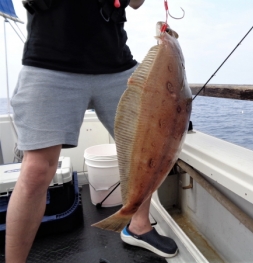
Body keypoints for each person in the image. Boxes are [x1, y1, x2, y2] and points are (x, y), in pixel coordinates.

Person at [6, 0, 178, 261]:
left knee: (147, 150)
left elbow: (136, 2)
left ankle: (139, 226)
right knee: (36, 171)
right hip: (50, 64)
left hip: (117, 66)